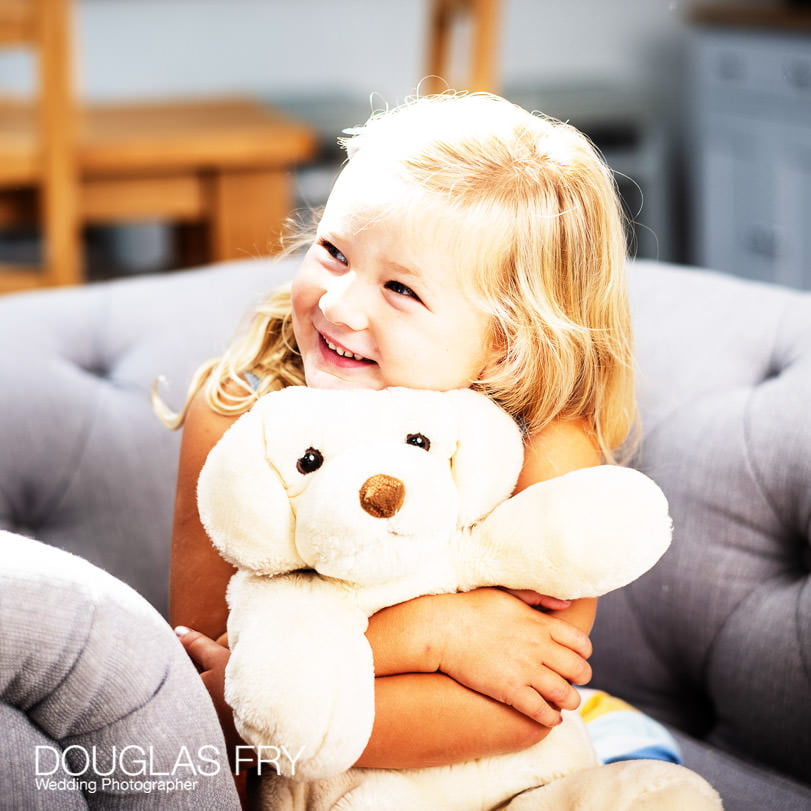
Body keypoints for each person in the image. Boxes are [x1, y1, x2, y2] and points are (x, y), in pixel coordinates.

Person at [165, 91, 638, 791]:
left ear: (506, 345)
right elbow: (220, 693)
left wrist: (305, 683)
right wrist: (436, 635)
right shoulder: (239, 409)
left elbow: (519, 707)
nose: (336, 304)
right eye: (331, 252)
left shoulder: (545, 447)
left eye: (399, 289)